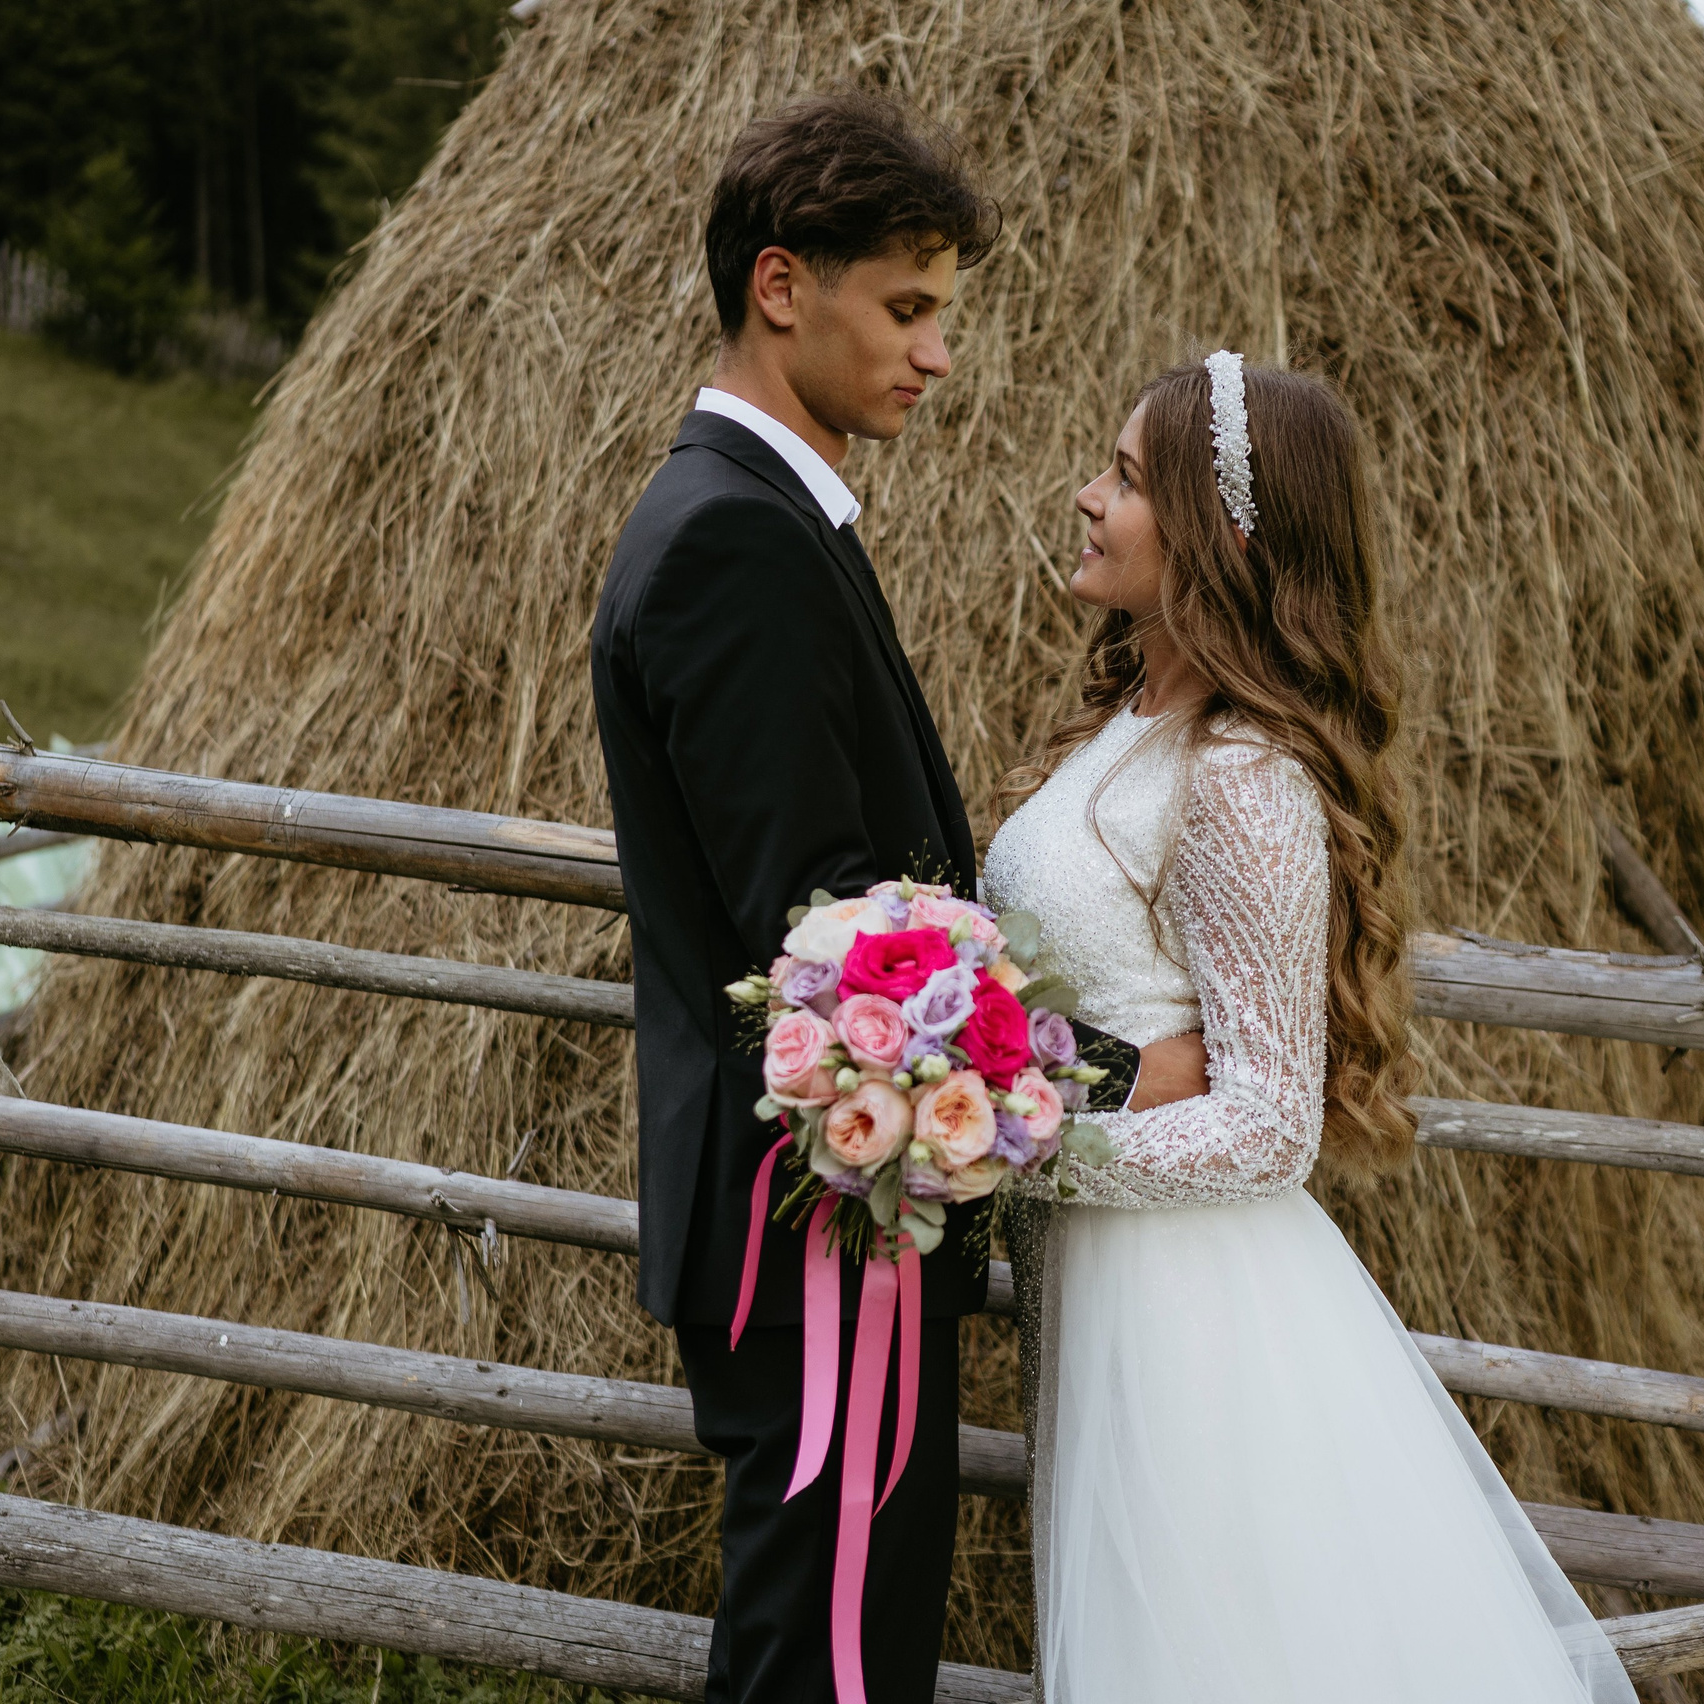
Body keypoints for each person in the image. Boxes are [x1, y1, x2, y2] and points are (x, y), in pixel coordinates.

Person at [590, 94, 1199, 1704]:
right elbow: (839, 942)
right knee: (835, 1667)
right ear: (783, 285)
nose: (938, 355)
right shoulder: (734, 538)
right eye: (909, 309)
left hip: (834, 1214)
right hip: (821, 1221)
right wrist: (1117, 1074)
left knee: (837, 1641)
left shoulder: (770, 515)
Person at [985, 354, 1640, 1703]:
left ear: (1220, 537)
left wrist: (1021, 1144)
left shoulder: (1241, 778)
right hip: (1104, 1286)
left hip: (1188, 1312)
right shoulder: (1134, 725)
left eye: (1122, 478)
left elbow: (1271, 1124)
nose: (1086, 497)